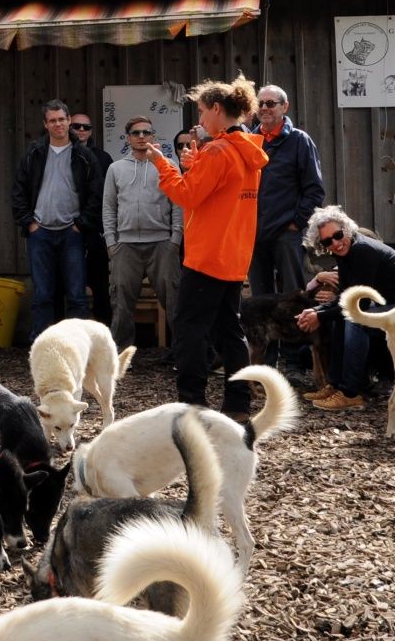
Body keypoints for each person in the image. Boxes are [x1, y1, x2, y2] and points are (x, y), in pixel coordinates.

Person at [148, 75, 267, 416]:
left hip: (206, 257)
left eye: (201, 112)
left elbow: (186, 195)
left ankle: (192, 402)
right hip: (234, 254)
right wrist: (194, 165)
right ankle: (238, 403)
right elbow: (219, 192)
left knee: (189, 330)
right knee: (230, 330)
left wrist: (163, 164)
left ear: (217, 109)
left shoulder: (218, 150)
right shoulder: (249, 148)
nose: (199, 121)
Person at [294, 205, 395, 409]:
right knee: (342, 317)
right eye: (328, 241)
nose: (336, 243)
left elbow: (359, 304)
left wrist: (320, 315)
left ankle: (350, 393)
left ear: (346, 229)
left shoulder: (363, 250)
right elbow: (347, 298)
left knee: (357, 320)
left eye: (338, 235)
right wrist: (317, 311)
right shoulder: (346, 253)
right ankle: (335, 385)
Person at [11, 100, 94, 339]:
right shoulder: (34, 154)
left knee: (77, 294)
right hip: (41, 232)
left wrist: (81, 224)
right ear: (45, 124)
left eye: (62, 119)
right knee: (42, 294)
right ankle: (41, 346)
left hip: (72, 232)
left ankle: (80, 345)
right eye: (52, 120)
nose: (58, 124)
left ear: (69, 121)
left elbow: (95, 194)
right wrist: (29, 223)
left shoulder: (84, 156)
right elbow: (18, 191)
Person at [102, 114, 183, 353]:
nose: (141, 137)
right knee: (121, 303)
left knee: (174, 301)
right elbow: (108, 207)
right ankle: (120, 355)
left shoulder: (167, 165)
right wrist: (111, 243)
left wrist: (175, 241)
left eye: (146, 132)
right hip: (125, 245)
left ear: (153, 136)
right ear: (128, 138)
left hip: (162, 244)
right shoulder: (115, 169)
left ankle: (182, 355)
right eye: (136, 133)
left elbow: (178, 204)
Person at [247, 85, 325, 297]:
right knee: (259, 299)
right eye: (260, 103)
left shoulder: (300, 141)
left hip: (286, 233)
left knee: (293, 297)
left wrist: (296, 223)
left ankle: (296, 332)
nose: (264, 108)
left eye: (271, 103)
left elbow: (314, 189)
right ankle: (263, 333)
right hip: (255, 233)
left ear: (285, 107)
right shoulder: (250, 143)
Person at [68, 110, 115, 326]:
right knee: (67, 285)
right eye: (76, 126)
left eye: (86, 127)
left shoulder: (103, 158)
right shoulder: (58, 154)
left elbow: (107, 196)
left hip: (94, 230)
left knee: (100, 286)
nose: (81, 130)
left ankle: (105, 336)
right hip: (64, 228)